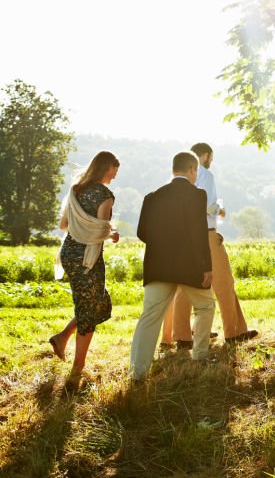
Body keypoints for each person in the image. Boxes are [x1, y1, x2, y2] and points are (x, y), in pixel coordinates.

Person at [161, 142, 257, 350]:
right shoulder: (205, 174)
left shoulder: (174, 180)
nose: (211, 162)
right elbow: (204, 204)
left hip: (183, 236)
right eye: (211, 158)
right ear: (204, 156)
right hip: (205, 234)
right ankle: (234, 332)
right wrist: (219, 209)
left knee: (184, 285)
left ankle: (182, 336)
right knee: (224, 282)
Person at [129, 152, 216, 380]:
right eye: (195, 172)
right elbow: (199, 234)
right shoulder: (198, 195)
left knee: (149, 317)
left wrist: (162, 247)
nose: (196, 176)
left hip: (158, 265)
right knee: (206, 306)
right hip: (190, 266)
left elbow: (141, 232)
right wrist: (206, 266)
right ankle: (200, 356)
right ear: (191, 170)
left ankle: (137, 373)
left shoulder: (152, 197)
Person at [48, 151, 121, 385]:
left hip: (69, 252)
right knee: (90, 307)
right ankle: (77, 369)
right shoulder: (105, 195)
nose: (115, 175)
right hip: (87, 257)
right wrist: (111, 234)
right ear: (105, 167)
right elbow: (99, 230)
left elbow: (64, 225)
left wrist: (98, 230)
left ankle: (62, 337)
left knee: (95, 302)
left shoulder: (76, 190)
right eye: (114, 169)